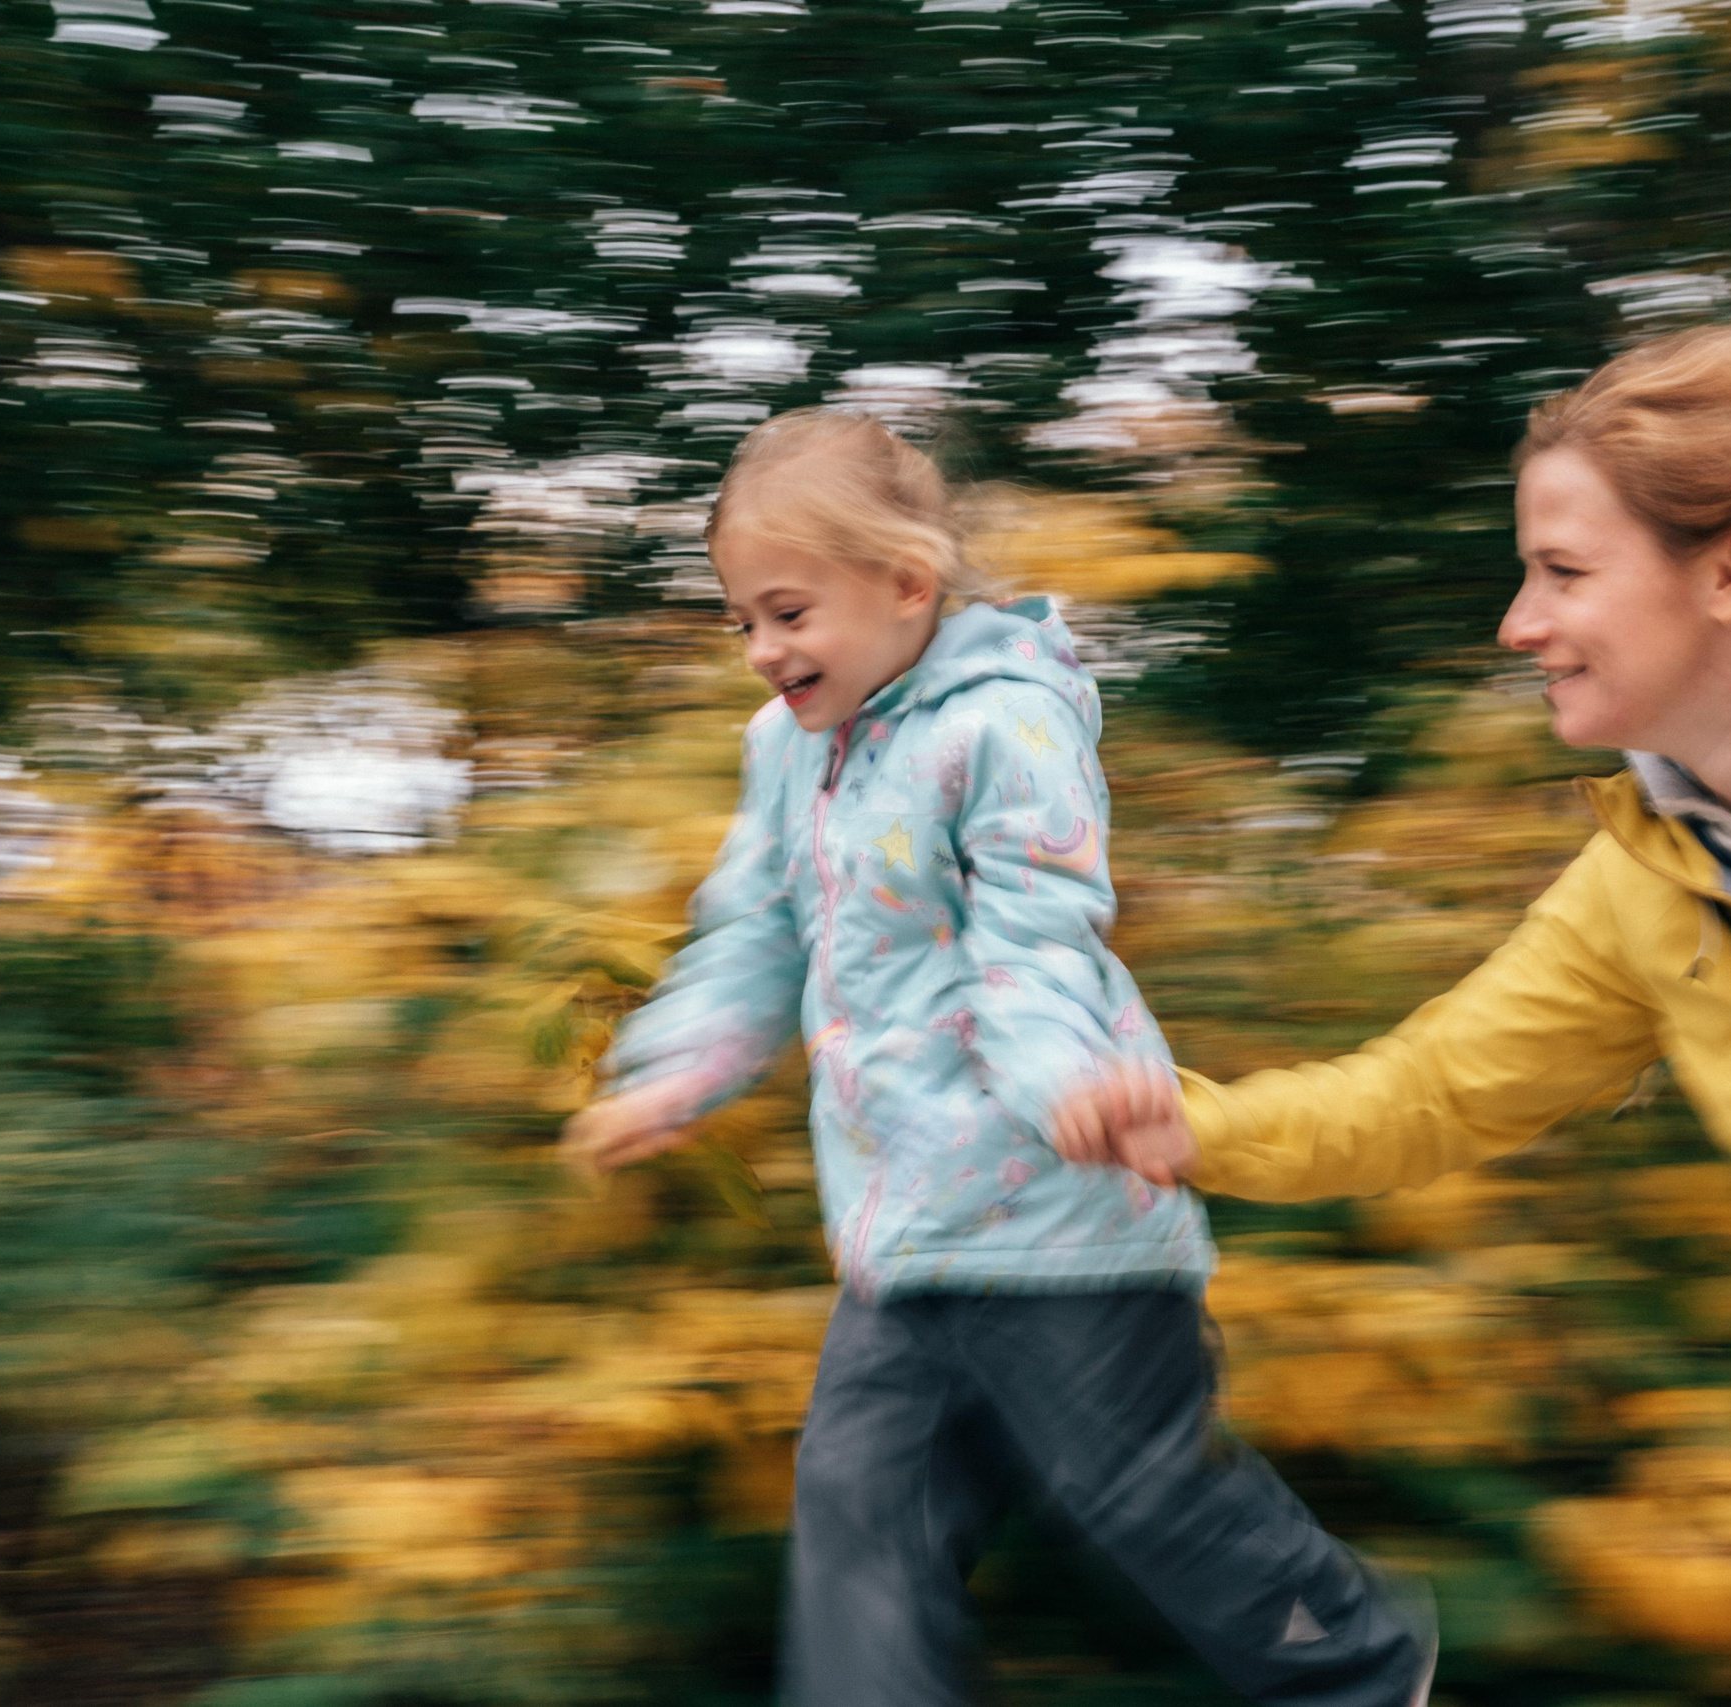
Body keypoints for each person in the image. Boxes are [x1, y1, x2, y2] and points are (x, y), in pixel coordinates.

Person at [1049, 324, 1731, 1707]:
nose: (1520, 623)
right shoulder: (1648, 888)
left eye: (1565, 573)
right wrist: (1186, 1123)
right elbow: (1431, 1093)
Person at [562, 408, 1433, 1707]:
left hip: (1062, 1219)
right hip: (902, 1236)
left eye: (788, 613)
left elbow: (1040, 940)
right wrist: (668, 1072)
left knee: (1137, 1493)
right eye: (739, 618)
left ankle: (1362, 1664)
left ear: (906, 583)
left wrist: (1066, 1087)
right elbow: (750, 931)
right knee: (858, 1518)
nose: (761, 650)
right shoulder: (782, 757)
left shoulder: (1007, 726)